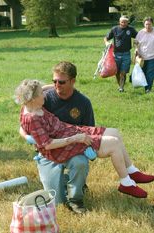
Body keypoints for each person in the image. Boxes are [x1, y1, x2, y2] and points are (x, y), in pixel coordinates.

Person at [15, 79, 154, 201]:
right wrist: (75, 138)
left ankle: (131, 171)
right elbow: (47, 144)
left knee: (115, 133)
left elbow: (39, 90)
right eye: (41, 93)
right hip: (59, 147)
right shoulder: (32, 117)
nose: (45, 94)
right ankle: (125, 183)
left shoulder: (27, 105)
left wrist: (61, 88)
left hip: (67, 131)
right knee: (113, 143)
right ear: (33, 98)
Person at [19, 61, 94, 215]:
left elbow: (90, 130)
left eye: (61, 82)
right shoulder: (43, 99)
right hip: (48, 153)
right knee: (57, 203)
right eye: (54, 81)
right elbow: (23, 125)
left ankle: (76, 199)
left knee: (80, 163)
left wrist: (88, 148)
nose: (57, 85)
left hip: (72, 149)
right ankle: (69, 183)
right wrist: (27, 138)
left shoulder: (83, 102)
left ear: (73, 81)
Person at [133, 16, 154, 93]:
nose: (147, 26)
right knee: (144, 74)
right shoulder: (141, 33)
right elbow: (135, 42)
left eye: (149, 24)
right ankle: (147, 88)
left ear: (152, 24)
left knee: (150, 73)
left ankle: (148, 89)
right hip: (143, 57)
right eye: (146, 24)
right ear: (144, 24)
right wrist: (136, 48)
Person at [104, 15, 138, 92]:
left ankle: (121, 88)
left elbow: (138, 36)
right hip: (116, 54)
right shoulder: (114, 29)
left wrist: (137, 46)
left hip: (126, 54)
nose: (123, 24)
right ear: (119, 22)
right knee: (117, 72)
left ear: (127, 22)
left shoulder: (130, 29)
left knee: (123, 72)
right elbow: (106, 38)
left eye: (125, 22)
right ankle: (120, 86)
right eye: (122, 22)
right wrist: (107, 43)